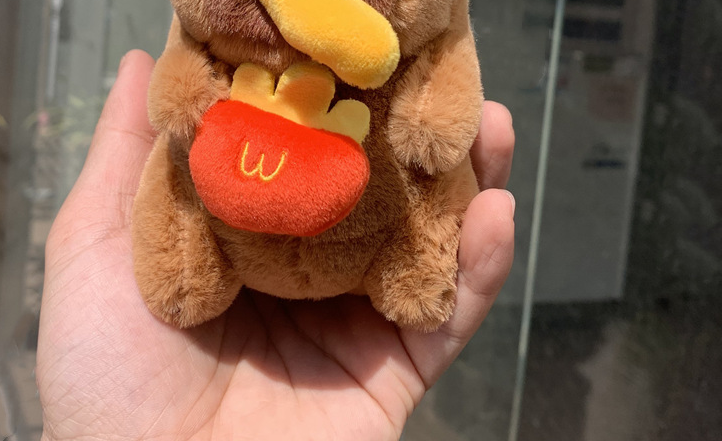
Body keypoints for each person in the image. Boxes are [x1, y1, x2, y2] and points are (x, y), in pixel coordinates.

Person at [37, 50, 515, 441]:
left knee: (434, 206)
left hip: (371, 254)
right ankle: (192, 263)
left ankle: (408, 263)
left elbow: (446, 59)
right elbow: (181, 75)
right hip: (230, 260)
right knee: (181, 244)